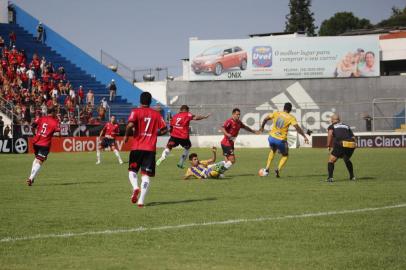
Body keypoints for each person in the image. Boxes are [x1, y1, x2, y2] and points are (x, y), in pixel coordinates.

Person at [123, 92, 167, 208]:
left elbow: (129, 126)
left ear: (140, 100)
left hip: (137, 147)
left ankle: (135, 187)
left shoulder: (135, 111)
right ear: (150, 101)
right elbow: (164, 129)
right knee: (145, 175)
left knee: (132, 171)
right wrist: (155, 133)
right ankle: (141, 201)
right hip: (150, 149)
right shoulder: (156, 114)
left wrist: (127, 136)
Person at [260, 102, 309, 178]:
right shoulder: (291, 117)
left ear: (284, 108)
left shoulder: (277, 113)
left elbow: (265, 119)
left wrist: (262, 127)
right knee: (285, 155)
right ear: (290, 110)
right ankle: (278, 169)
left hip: (271, 138)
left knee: (273, 150)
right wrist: (304, 136)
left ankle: (267, 168)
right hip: (281, 140)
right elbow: (297, 128)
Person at [26, 107, 60, 186]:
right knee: (40, 161)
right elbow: (58, 132)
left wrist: (35, 134)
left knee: (37, 159)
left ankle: (32, 178)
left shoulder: (41, 118)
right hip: (45, 143)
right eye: (56, 112)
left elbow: (32, 126)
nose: (57, 114)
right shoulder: (55, 122)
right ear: (53, 113)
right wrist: (58, 122)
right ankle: (31, 178)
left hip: (36, 141)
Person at [326, 114, 356, 182]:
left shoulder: (332, 126)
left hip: (340, 144)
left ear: (332, 120)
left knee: (331, 161)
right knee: (346, 159)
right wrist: (354, 145)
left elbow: (330, 134)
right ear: (339, 120)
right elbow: (353, 137)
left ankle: (330, 178)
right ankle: (352, 176)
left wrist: (328, 145)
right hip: (350, 144)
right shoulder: (346, 126)